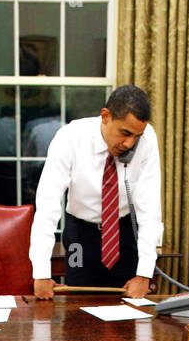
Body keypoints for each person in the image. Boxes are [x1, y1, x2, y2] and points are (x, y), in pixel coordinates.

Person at [29, 85, 163, 300]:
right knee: (78, 313)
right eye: (125, 133)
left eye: (136, 136)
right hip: (80, 237)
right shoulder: (70, 137)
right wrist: (41, 272)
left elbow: (150, 210)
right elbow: (47, 206)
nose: (129, 143)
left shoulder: (146, 140)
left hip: (123, 233)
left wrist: (144, 274)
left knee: (126, 316)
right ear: (105, 116)